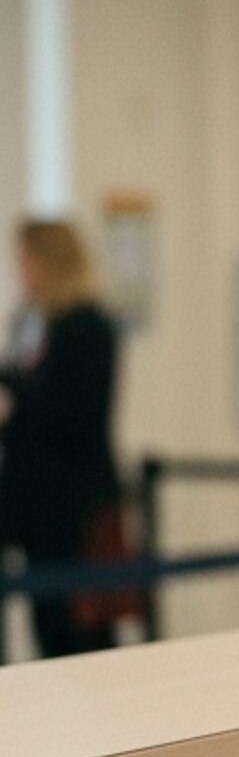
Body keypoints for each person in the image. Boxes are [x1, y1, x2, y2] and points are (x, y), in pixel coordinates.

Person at [0, 219, 123, 657]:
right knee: (46, 623)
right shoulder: (31, 326)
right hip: (32, 503)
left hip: (74, 505)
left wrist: (15, 404)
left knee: (82, 631)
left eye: (26, 260)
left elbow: (83, 413)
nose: (21, 272)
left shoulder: (90, 327)